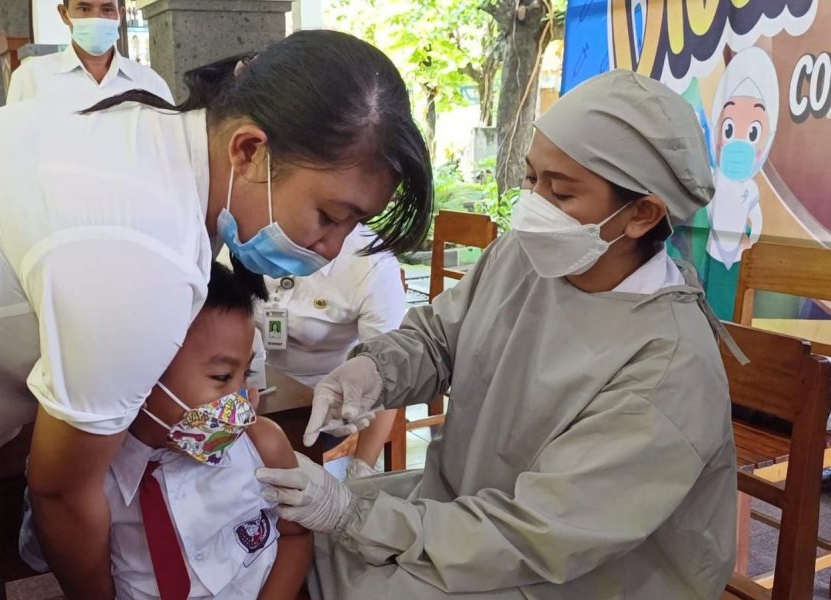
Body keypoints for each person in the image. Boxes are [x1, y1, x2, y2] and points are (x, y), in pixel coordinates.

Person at [0, 30, 431, 600]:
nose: (330, 247)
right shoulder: (142, 248)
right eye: (329, 215)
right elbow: (60, 494)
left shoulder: (141, 133)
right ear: (250, 151)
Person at [257, 69, 739, 600]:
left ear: (643, 214)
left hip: (582, 570)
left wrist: (353, 512)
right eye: (533, 179)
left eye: (562, 191)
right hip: (465, 510)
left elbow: (541, 533)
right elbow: (441, 338)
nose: (534, 204)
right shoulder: (524, 258)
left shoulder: (668, 366)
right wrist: (375, 369)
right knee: (281, 538)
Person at [21, 261, 312, 599]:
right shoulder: (86, 480)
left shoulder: (263, 444)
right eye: (221, 377)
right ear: (144, 370)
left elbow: (296, 536)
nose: (242, 399)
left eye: (245, 375)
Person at [256, 223, 406, 480]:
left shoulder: (371, 266)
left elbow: (386, 375)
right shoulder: (254, 233)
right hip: (247, 390)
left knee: (263, 464)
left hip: (322, 411)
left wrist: (361, 468)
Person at [6, 0, 172, 107]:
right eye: (84, 8)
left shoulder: (151, 83)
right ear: (65, 14)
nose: (96, 18)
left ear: (119, 15)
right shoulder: (30, 79)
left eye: (107, 9)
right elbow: (15, 148)